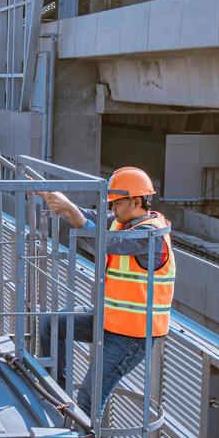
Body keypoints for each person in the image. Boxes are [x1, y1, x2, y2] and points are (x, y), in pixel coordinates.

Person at [36, 166, 175, 414]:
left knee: (90, 394)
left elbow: (103, 242)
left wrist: (69, 209)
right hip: (110, 318)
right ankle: (56, 399)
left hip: (133, 334)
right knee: (51, 323)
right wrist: (61, 202)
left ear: (136, 201)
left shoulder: (150, 233)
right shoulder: (124, 222)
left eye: (117, 204)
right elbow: (93, 217)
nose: (112, 209)